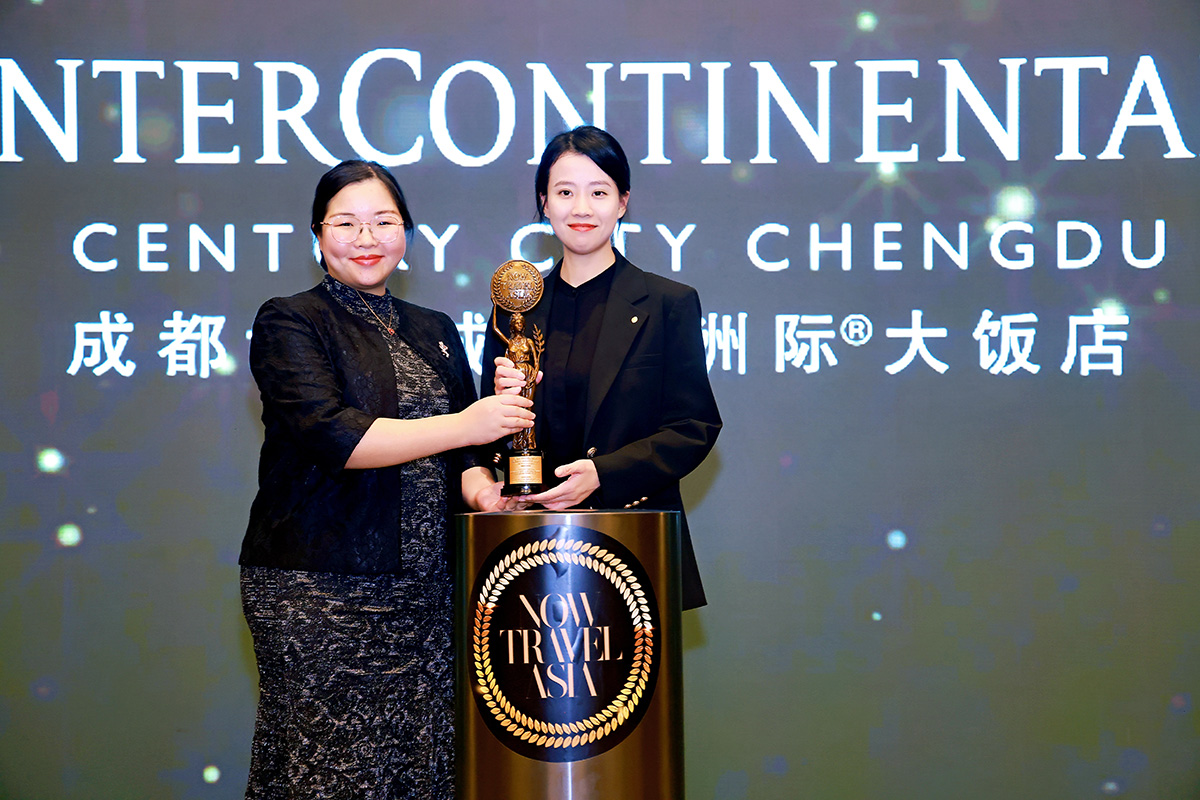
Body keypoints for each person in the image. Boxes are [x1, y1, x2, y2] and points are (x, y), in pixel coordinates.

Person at [239, 159, 532, 799]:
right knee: (327, 772)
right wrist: (466, 424)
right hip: (321, 588)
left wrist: (486, 491)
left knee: (425, 768)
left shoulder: (435, 328)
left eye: (384, 222)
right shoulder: (290, 320)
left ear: (406, 232)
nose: (366, 238)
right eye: (346, 223)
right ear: (317, 235)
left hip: (429, 592)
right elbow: (334, 436)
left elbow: (466, 454)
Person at [482, 126, 722, 610]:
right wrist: (498, 417)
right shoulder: (515, 311)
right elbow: (484, 436)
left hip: (634, 538)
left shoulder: (667, 303)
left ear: (623, 201)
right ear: (544, 203)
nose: (581, 208)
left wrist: (604, 474)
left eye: (599, 192)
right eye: (564, 192)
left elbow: (693, 427)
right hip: (528, 545)